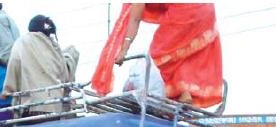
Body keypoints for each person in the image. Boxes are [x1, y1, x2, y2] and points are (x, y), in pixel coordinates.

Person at [91, 3, 223, 107]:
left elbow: (135, 19)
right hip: (206, 11)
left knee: (157, 57)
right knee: (180, 55)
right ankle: (184, 93)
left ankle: (173, 95)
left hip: (187, 11)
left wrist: (123, 50)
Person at [2, 15, 80, 116]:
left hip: (32, 106)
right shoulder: (54, 46)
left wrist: (7, 90)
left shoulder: (22, 42)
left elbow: (14, 65)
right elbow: (64, 75)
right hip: (54, 106)